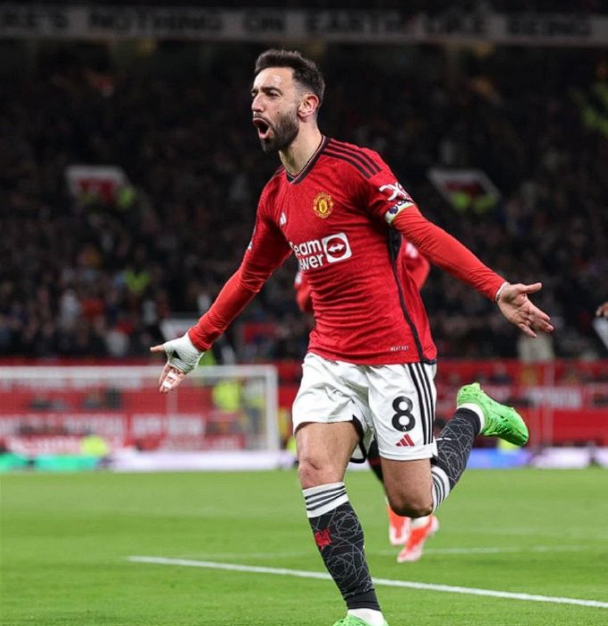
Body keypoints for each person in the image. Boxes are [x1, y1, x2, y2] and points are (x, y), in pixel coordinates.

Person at [151, 49, 554, 626]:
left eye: (270, 93)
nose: (256, 103)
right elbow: (249, 277)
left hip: (396, 355)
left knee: (412, 501)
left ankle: (474, 413)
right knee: (314, 469)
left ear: (307, 105)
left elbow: (421, 231)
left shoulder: (356, 167)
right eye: (254, 94)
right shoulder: (275, 197)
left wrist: (495, 288)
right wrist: (195, 343)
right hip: (329, 357)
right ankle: (365, 615)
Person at [294, 245, 438, 563]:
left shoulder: (382, 231)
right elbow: (303, 296)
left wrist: (391, 299)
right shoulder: (313, 245)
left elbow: (421, 261)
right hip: (341, 349)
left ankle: (472, 416)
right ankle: (401, 504)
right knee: (353, 441)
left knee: (412, 491)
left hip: (394, 347)